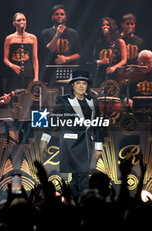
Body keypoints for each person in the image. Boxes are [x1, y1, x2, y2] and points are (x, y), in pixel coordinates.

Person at [40, 70, 104, 202]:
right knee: (80, 175)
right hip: (71, 143)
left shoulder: (93, 101)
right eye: (78, 83)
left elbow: (97, 124)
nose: (81, 86)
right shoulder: (64, 100)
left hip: (86, 142)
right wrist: (44, 139)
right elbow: (54, 120)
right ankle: (80, 201)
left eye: (84, 83)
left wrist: (98, 145)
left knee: (81, 174)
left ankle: (78, 202)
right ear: (73, 85)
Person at [39, 4, 81, 86]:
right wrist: (57, 34)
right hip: (49, 72)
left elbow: (78, 54)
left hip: (68, 71)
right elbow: (48, 49)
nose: (59, 16)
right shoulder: (46, 32)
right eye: (56, 14)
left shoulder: (73, 33)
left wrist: (66, 58)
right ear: (52, 17)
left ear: (65, 17)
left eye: (62, 14)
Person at [121, 50, 152, 123]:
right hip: (135, 109)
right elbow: (122, 94)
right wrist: (128, 101)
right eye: (143, 63)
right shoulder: (130, 74)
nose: (146, 65)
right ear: (138, 62)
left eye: (149, 63)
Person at [3, 12, 38, 91]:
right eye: (19, 20)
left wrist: (36, 77)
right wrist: (12, 65)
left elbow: (35, 58)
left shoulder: (32, 38)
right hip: (13, 75)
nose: (22, 22)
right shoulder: (9, 38)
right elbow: (5, 59)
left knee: (28, 99)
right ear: (14, 23)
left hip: (28, 74)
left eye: (23, 20)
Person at [93, 17, 127, 88]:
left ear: (112, 27)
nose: (105, 27)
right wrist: (101, 61)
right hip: (101, 74)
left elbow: (124, 60)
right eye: (103, 25)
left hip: (115, 74)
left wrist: (114, 68)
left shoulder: (120, 42)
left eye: (107, 24)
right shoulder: (99, 43)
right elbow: (94, 59)